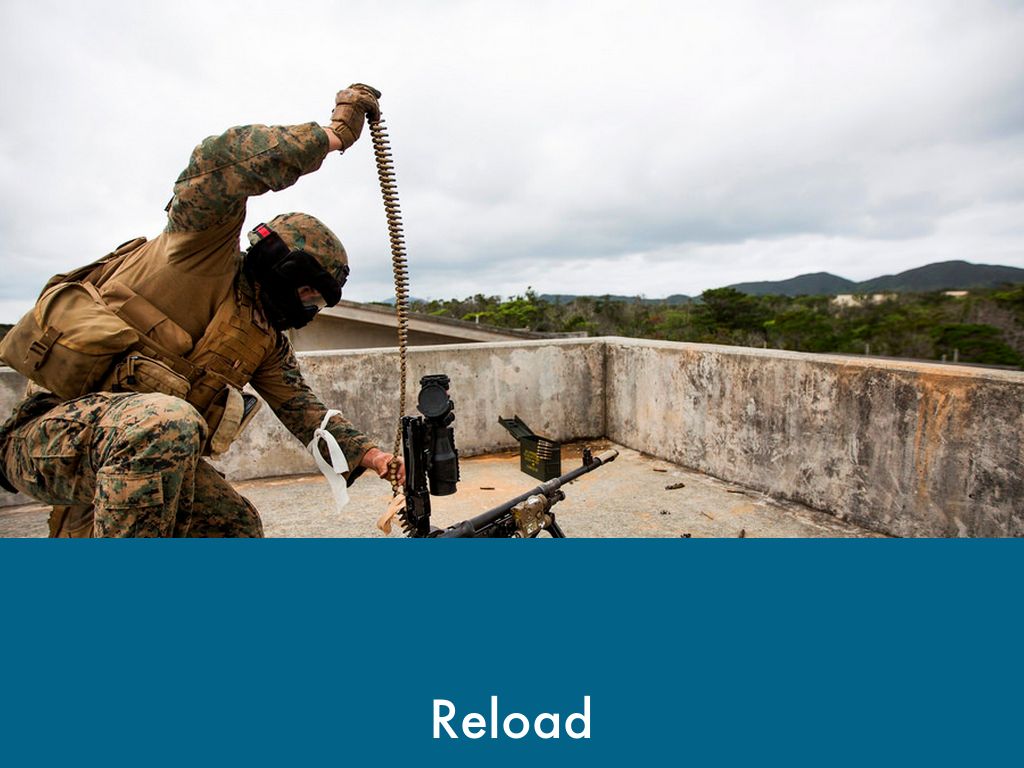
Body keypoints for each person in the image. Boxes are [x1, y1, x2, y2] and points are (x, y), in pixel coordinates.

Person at [0, 83, 404, 537]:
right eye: (309, 295)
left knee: (234, 525)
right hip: (48, 438)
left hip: (141, 452)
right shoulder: (197, 252)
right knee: (166, 422)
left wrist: (376, 458)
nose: (309, 309)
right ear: (283, 269)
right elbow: (218, 162)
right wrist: (332, 136)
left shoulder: (262, 337)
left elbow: (303, 411)